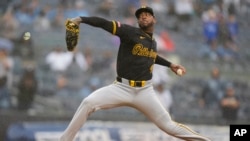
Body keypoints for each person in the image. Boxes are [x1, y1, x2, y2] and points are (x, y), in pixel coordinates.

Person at [60, 6, 211, 141]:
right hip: (121, 88)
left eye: (147, 14)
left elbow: (151, 56)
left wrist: (170, 64)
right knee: (88, 103)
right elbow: (104, 23)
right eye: (140, 15)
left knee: (169, 126)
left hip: (145, 91)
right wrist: (81, 19)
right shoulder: (129, 32)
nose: (143, 16)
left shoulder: (153, 42)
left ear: (154, 19)